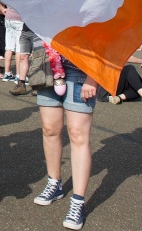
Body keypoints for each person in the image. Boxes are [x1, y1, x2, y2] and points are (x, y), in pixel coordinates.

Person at [33, 46, 97, 230]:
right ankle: (54, 184)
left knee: (78, 135)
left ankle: (77, 201)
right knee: (50, 129)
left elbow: (106, 37)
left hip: (82, 69)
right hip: (48, 64)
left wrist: (94, 76)